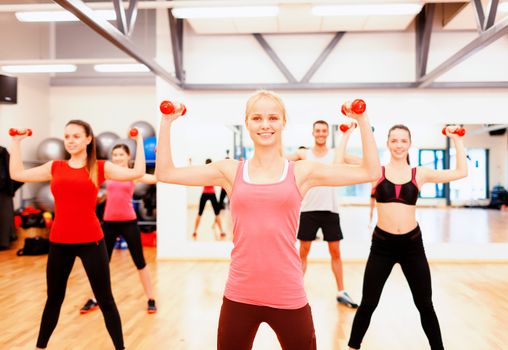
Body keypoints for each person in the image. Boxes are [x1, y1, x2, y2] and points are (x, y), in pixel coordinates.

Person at [155, 90, 380, 350]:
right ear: (247, 123)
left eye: (273, 118)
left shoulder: (301, 171)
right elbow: (166, 172)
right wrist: (167, 122)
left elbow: (370, 171)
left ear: (284, 122)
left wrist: (362, 120)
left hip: (288, 293)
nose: (265, 124)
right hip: (240, 293)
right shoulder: (229, 170)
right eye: (257, 118)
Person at [9, 120, 146, 350]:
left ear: (88, 139)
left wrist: (139, 141)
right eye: (67, 136)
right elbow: (17, 174)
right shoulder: (55, 166)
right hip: (60, 242)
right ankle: (40, 347)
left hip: (91, 241)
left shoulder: (100, 167)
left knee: (106, 301)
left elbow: (138, 172)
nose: (70, 140)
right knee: (54, 300)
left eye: (76, 136)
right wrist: (16, 142)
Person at [336, 124, 467, 350]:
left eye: (403, 141)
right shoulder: (376, 169)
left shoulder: (420, 173)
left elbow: (460, 172)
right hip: (382, 247)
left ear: (409, 144)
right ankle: (351, 347)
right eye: (394, 141)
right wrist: (346, 134)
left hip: (412, 246)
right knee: (368, 303)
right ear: (387, 143)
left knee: (425, 304)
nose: (398, 145)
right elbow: (339, 162)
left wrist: (456, 138)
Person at [80, 143, 157, 315]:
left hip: (129, 222)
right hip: (109, 223)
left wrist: (158, 162)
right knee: (101, 264)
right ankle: (95, 298)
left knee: (140, 262)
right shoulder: (107, 174)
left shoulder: (133, 174)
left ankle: (151, 298)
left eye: (121, 154)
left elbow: (154, 179)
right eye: (115, 154)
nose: (117, 157)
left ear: (128, 157)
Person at [287, 120, 358, 308]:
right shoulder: (304, 154)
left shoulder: (336, 154)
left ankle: (341, 291)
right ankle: (296, 290)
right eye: (317, 130)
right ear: (313, 133)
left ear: (327, 133)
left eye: (323, 131)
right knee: (303, 252)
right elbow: (282, 159)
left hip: (330, 210)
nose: (320, 133)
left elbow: (359, 161)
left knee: (335, 252)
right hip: (308, 210)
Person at [192, 158, 226, 239]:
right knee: (201, 213)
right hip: (208, 194)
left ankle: (221, 231)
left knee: (216, 213)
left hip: (209, 194)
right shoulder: (207, 173)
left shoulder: (209, 173)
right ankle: (195, 231)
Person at [0, 145, 23, 249]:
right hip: (5, 190)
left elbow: (14, 175)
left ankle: (4, 241)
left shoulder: (3, 152)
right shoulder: (3, 152)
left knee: (4, 214)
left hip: (4, 191)